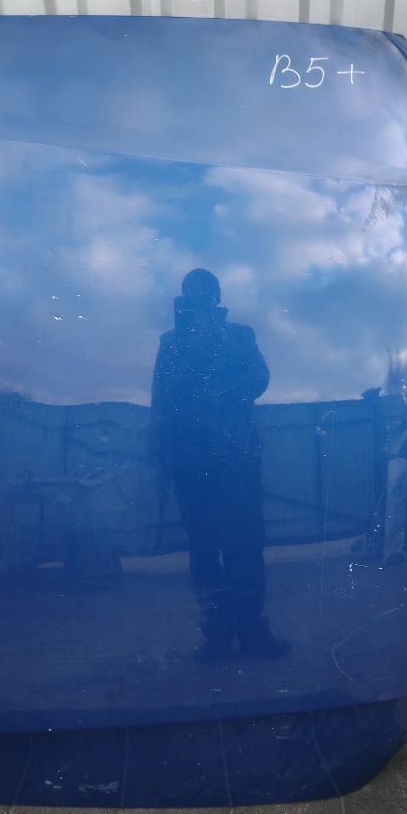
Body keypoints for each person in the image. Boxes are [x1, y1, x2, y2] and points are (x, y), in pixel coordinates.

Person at [150, 269, 289, 661]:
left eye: (207, 290)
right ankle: (216, 635)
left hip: (235, 456)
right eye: (193, 291)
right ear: (184, 297)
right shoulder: (172, 342)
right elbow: (161, 400)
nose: (200, 296)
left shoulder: (239, 335)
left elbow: (259, 379)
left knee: (245, 543)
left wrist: (221, 375)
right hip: (189, 458)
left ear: (217, 296)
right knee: (204, 548)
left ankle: (252, 630)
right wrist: (157, 460)